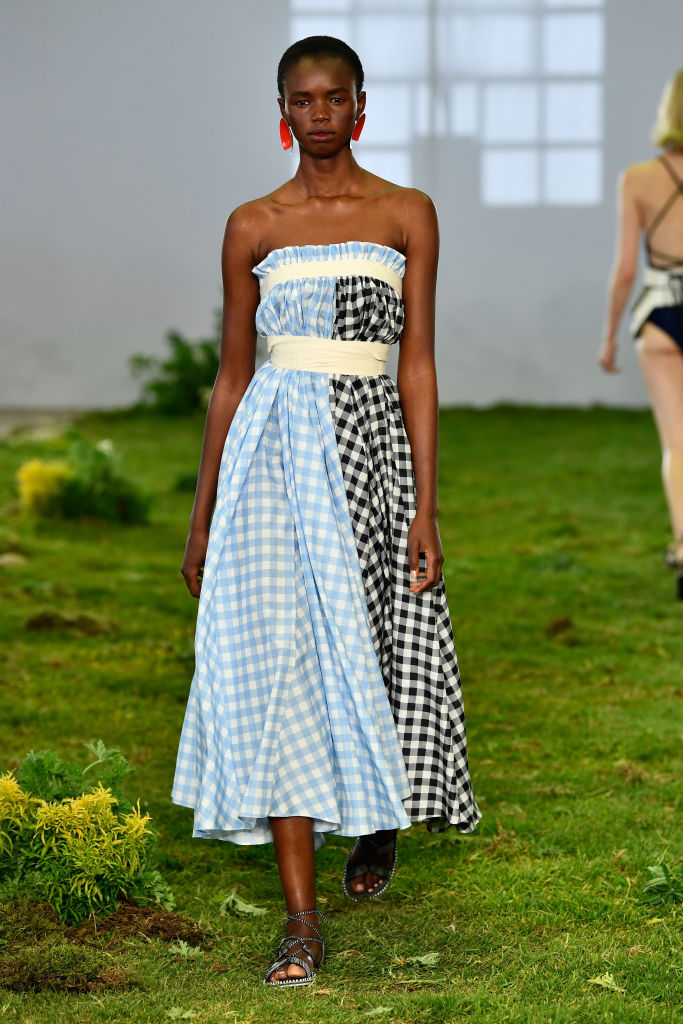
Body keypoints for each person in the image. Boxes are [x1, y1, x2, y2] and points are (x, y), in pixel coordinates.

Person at [172, 36, 480, 987]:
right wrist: (202, 515)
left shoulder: (405, 213)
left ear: (359, 107)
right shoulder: (251, 226)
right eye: (301, 100)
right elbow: (232, 378)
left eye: (333, 98)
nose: (318, 114)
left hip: (369, 452)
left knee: (377, 639)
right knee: (276, 662)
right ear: (282, 114)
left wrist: (426, 506)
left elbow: (417, 364)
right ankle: (300, 922)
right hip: (268, 457)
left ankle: (378, 816)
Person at [600, 69, 683, 596]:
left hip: (661, 318)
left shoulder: (638, 178)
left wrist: (610, 335)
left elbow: (626, 270)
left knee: (677, 442)